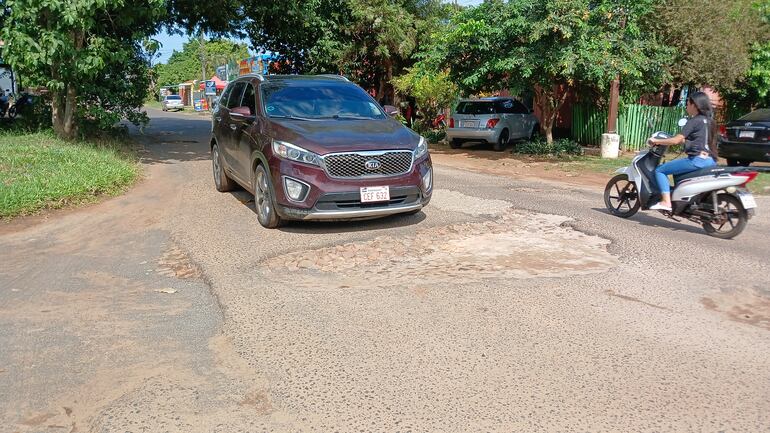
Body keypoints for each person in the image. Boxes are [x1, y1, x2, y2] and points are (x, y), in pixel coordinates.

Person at [648, 91, 718, 211]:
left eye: (688, 103)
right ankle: (681, 201)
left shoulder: (694, 121)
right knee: (678, 172)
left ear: (695, 105)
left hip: (697, 160)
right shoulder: (710, 122)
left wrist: (656, 141)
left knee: (660, 170)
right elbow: (701, 141)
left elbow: (676, 140)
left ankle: (666, 202)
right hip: (710, 160)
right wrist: (684, 142)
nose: (686, 106)